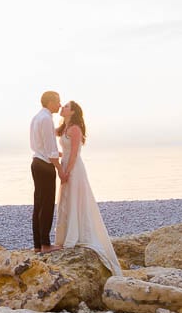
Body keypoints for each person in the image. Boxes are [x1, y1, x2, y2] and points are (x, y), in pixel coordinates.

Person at [54, 100, 123, 276]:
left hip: (74, 168)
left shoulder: (75, 128)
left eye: (66, 106)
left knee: (75, 198)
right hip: (65, 164)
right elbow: (52, 139)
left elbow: (75, 153)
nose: (62, 107)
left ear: (73, 112)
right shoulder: (63, 127)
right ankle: (65, 235)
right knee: (66, 200)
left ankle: (76, 234)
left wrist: (66, 172)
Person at [30, 91, 63, 254]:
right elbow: (50, 149)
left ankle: (37, 245)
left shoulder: (37, 117)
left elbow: (41, 145)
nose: (60, 104)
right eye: (58, 101)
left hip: (36, 162)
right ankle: (45, 244)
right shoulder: (46, 119)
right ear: (50, 102)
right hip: (44, 165)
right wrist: (61, 170)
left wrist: (57, 154)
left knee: (39, 205)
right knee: (47, 205)